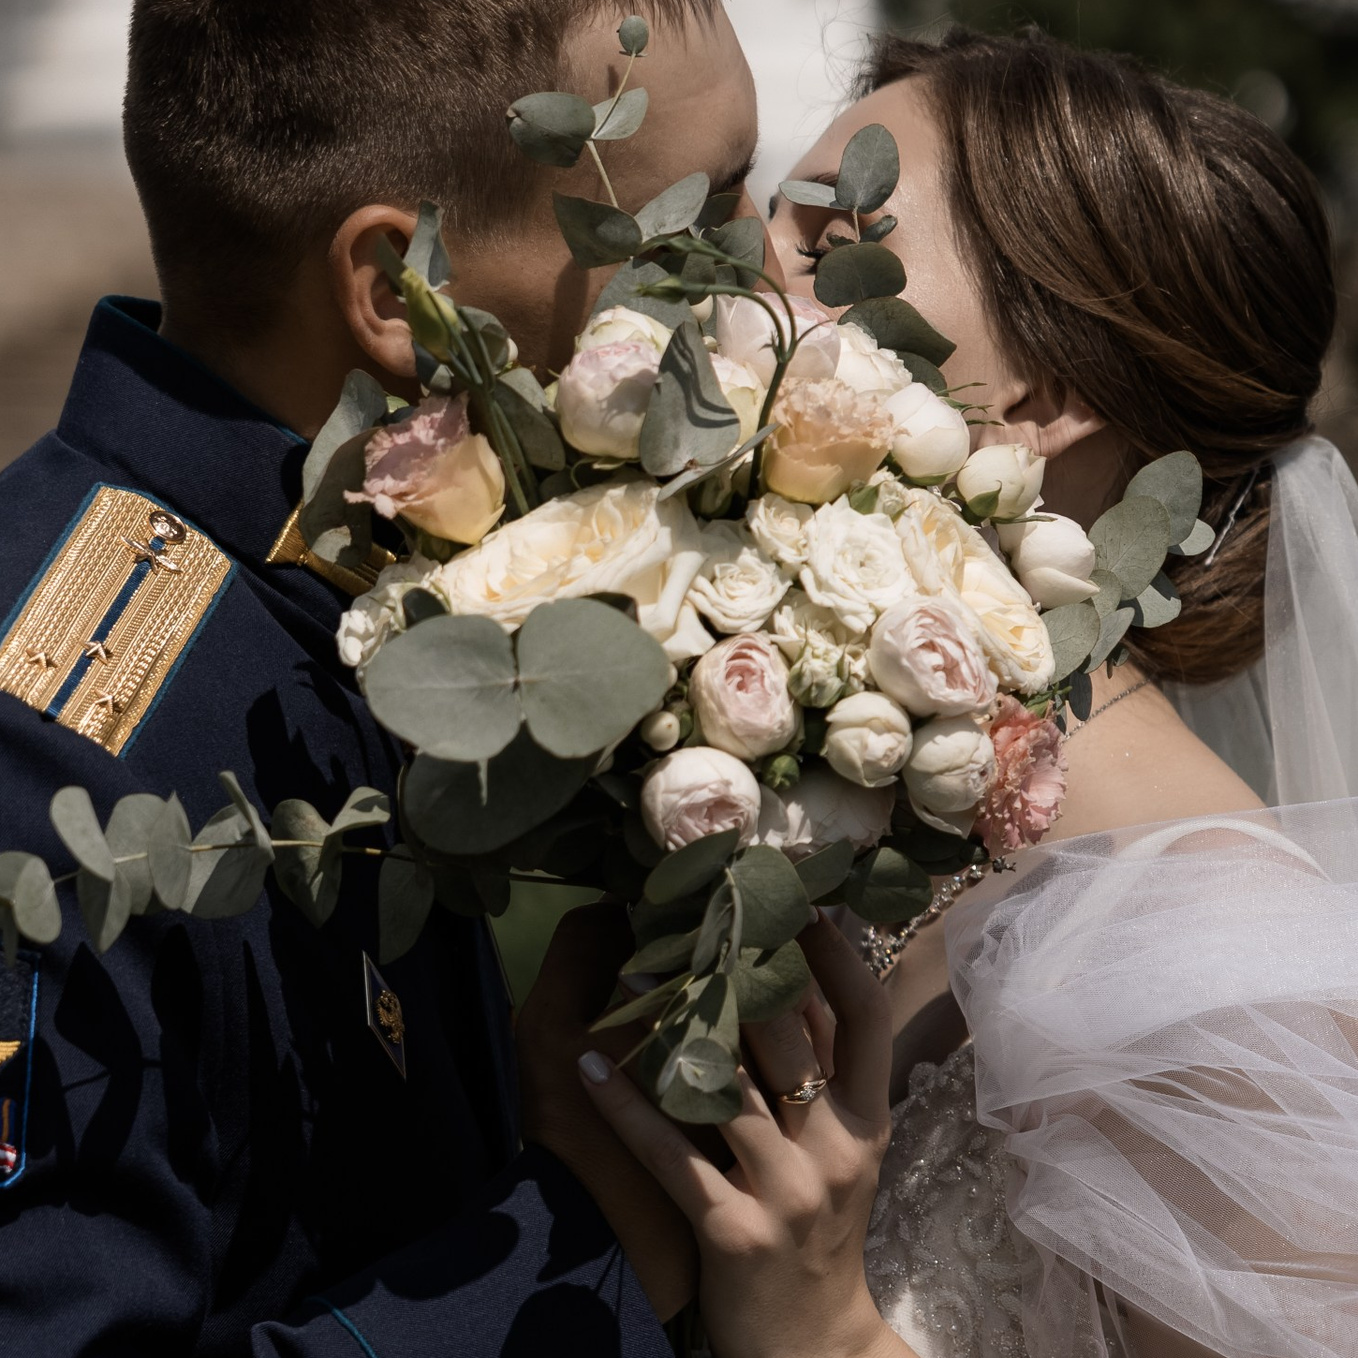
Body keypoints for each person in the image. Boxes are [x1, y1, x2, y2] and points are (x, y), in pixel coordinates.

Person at [576, 26, 1358, 1358]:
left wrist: (825, 1329)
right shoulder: (840, 804)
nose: (740, 287)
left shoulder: (1224, 978)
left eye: (830, 252)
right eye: (768, 229)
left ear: (1039, 391)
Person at [0, 1, 766, 1352]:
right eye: (692, 233)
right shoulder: (51, 757)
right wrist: (578, 1245)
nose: (759, 294)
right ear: (401, 289)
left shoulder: (360, 593)